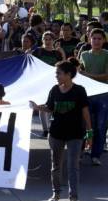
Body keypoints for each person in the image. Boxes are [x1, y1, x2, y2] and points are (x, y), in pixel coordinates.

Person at [29, 60, 92, 201]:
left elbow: (85, 112)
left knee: (73, 167)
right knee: (55, 166)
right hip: (56, 133)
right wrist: (37, 107)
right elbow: (49, 107)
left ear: (69, 74)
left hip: (75, 134)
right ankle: (56, 193)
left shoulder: (79, 90)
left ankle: (73, 197)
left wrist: (90, 133)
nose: (56, 76)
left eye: (59, 73)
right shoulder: (54, 90)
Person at [79, 28, 108, 166]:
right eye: (93, 38)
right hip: (87, 95)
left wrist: (88, 76)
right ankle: (81, 151)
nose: (96, 41)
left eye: (99, 38)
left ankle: (96, 155)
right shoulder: (83, 54)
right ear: (89, 39)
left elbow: (106, 76)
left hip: (103, 95)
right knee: (85, 125)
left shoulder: (107, 55)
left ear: (104, 40)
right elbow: (79, 72)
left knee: (101, 126)